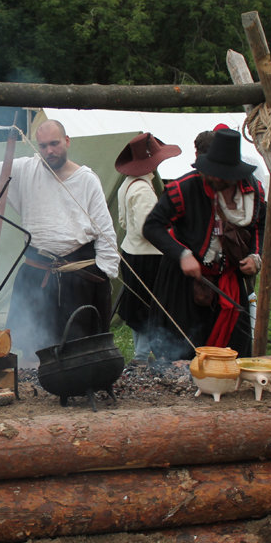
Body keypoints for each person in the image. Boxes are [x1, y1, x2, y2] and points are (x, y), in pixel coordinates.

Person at [0, 119, 120, 364]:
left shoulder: (87, 180)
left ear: (67, 141)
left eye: (55, 144)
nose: (49, 151)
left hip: (78, 277)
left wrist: (105, 273)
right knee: (35, 346)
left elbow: (105, 231)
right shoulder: (26, 169)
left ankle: (77, 380)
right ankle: (43, 384)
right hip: (37, 274)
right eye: (44, 146)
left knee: (78, 346)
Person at [143, 128, 266, 361]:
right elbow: (152, 227)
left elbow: (260, 224)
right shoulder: (184, 188)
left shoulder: (253, 191)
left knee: (234, 350)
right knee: (181, 349)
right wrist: (182, 255)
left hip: (229, 281)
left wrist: (255, 256)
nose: (217, 178)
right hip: (184, 282)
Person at [114, 133, 181, 368]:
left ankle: (143, 353)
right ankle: (142, 355)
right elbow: (147, 229)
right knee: (146, 308)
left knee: (140, 306)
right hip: (147, 256)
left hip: (133, 252)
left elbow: (125, 222)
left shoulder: (128, 184)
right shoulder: (141, 189)